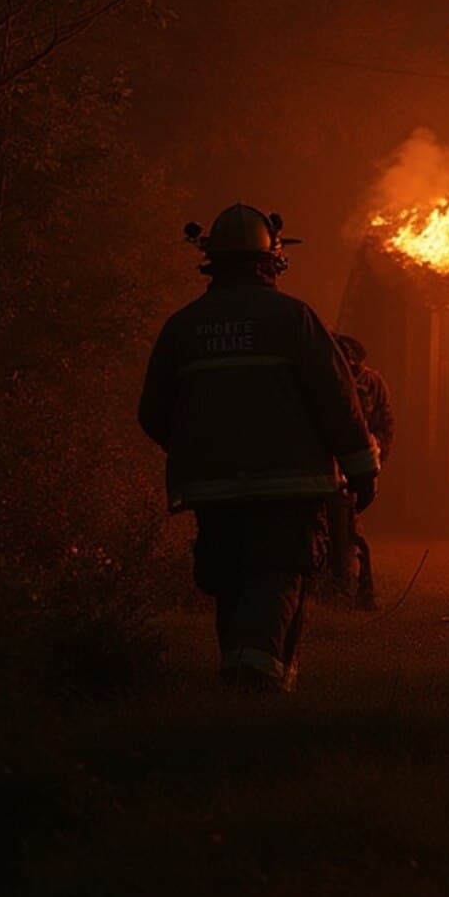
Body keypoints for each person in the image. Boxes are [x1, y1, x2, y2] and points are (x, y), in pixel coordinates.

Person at [138, 205, 378, 692]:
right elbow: (337, 399)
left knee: (229, 579)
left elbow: (152, 412)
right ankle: (256, 681)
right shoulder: (294, 319)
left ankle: (236, 673)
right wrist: (362, 468)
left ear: (213, 261)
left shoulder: (183, 327)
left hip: (211, 486)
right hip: (289, 485)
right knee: (277, 572)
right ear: (272, 262)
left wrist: (197, 449)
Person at [329, 334, 394, 609]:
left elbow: (384, 424)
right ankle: (338, 589)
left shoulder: (371, 383)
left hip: (353, 471)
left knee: (346, 532)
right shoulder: (324, 378)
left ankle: (347, 590)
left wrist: (375, 460)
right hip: (327, 470)